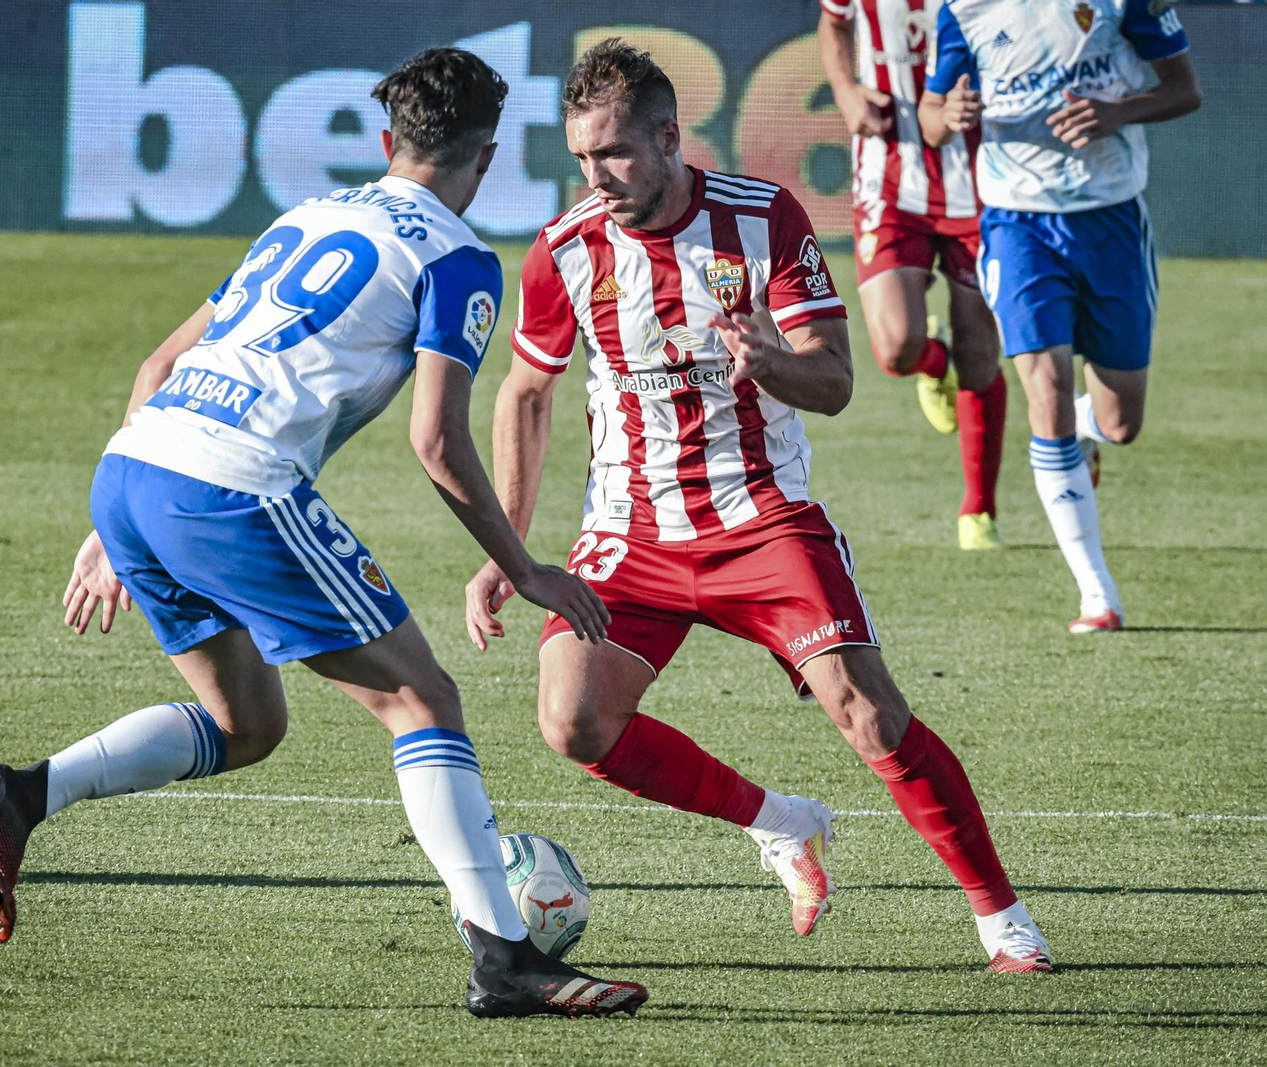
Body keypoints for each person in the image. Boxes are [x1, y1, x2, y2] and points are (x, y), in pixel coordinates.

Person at [0, 47, 647, 1020]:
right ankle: (504, 959)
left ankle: (23, 792)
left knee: (247, 725)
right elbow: (437, 439)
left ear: (383, 141)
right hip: (235, 491)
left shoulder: (307, 216)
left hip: (135, 470)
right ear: (487, 158)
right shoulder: (454, 257)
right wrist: (520, 565)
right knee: (422, 697)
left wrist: (114, 518)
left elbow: (157, 363)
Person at [465, 38, 1052, 973]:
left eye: (613, 151)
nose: (596, 175)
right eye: (580, 156)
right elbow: (525, 395)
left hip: (763, 518)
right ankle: (781, 825)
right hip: (632, 533)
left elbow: (835, 380)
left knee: (869, 713)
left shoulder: (764, 216)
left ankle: (1002, 917)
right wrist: (506, 544)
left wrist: (773, 361)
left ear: (668, 136)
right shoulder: (564, 250)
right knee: (573, 720)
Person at [918, 0, 1202, 631]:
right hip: (1018, 226)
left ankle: (1082, 431)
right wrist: (948, 116)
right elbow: (931, 117)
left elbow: (1185, 90)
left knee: (1120, 423)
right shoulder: (962, 11)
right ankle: (1096, 595)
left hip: (1112, 221)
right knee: (1043, 389)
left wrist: (1117, 113)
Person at [817, 0, 1008, 550]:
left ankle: (979, 509)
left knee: (980, 354)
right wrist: (846, 89)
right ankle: (932, 363)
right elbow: (833, 25)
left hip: (983, 181)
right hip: (889, 173)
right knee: (897, 346)